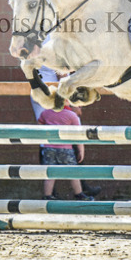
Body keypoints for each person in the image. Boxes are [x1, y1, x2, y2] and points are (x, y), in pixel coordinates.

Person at [29, 65, 100, 198]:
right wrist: (74, 104)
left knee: (46, 136)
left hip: (40, 89)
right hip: (54, 91)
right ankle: (80, 189)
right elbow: (62, 73)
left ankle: (51, 192)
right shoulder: (52, 46)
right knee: (69, 134)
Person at [37, 105, 94, 201]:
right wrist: (81, 150)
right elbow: (78, 134)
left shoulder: (45, 113)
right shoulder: (71, 115)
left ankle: (47, 195)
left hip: (49, 148)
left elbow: (39, 124)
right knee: (72, 172)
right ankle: (79, 194)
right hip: (66, 148)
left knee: (50, 173)